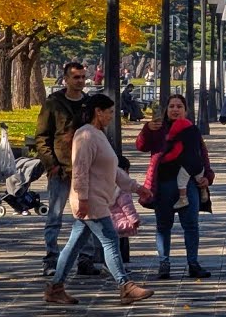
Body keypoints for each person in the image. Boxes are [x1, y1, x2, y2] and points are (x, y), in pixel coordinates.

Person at [43, 93, 155, 306]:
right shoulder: (85, 135)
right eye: (110, 112)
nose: (112, 116)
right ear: (98, 111)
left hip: (98, 199)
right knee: (110, 240)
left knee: (74, 245)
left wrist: (137, 188)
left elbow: (113, 171)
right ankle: (125, 286)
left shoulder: (98, 134)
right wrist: (83, 198)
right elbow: (80, 170)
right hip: (90, 200)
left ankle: (56, 287)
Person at [135, 94, 213, 279]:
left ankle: (193, 263)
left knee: (191, 225)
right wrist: (146, 130)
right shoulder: (158, 128)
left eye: (179, 106)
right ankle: (164, 263)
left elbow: (202, 155)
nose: (175, 110)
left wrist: (208, 177)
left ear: (185, 110)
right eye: (171, 106)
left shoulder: (192, 130)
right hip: (163, 184)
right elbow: (141, 146)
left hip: (190, 185)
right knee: (163, 226)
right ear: (166, 110)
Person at [37, 62, 97, 277]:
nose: (80, 81)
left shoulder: (89, 104)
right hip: (60, 169)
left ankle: (86, 258)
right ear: (66, 79)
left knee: (86, 215)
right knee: (54, 216)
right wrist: (50, 164)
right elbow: (42, 136)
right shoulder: (54, 103)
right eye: (75, 77)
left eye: (82, 77)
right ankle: (51, 257)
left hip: (84, 169)